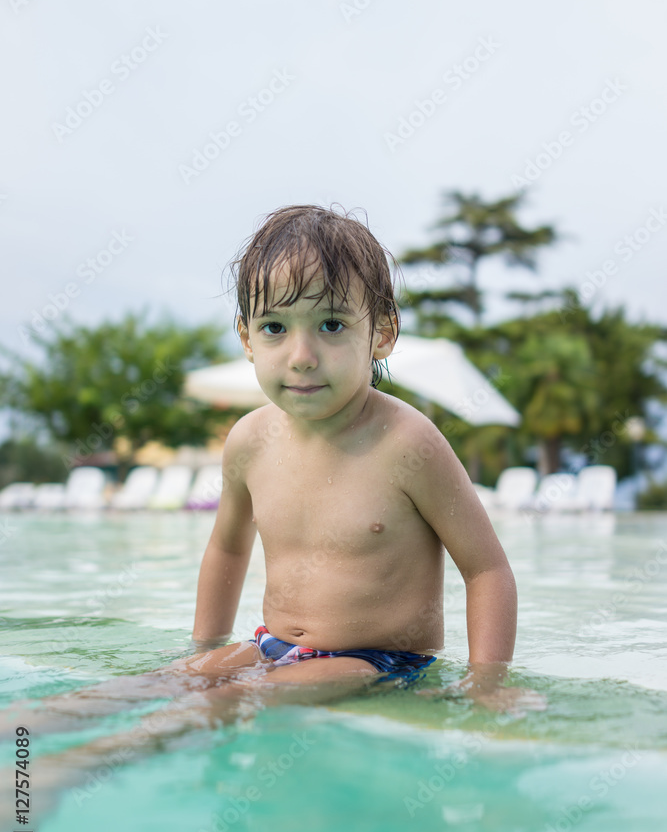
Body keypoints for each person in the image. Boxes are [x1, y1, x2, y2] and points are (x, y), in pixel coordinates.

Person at [0, 204, 537, 762]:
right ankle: (24, 728)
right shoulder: (250, 440)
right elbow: (227, 549)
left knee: (218, 706)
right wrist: (205, 649)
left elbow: (487, 568)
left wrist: (487, 684)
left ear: (381, 333)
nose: (301, 357)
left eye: (331, 325)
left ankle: (68, 771)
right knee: (159, 683)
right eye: (275, 328)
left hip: (379, 661)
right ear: (246, 338)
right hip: (270, 644)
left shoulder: (409, 444)